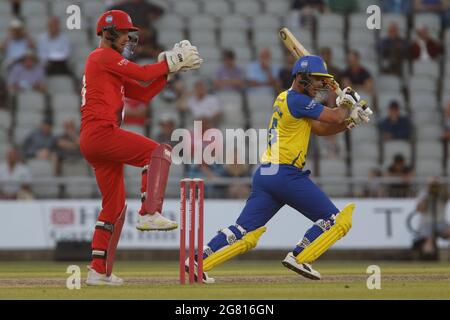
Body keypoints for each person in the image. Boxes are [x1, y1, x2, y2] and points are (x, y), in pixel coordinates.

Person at [189, 55, 373, 282]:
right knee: (335, 220)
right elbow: (334, 116)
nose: (320, 85)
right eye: (316, 80)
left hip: (267, 174)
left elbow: (321, 129)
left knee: (244, 230)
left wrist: (350, 121)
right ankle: (299, 258)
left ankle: (198, 260)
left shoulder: (287, 99)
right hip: (285, 173)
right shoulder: (297, 100)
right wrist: (346, 103)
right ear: (302, 79)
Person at [79, 10, 202, 286]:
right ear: (109, 34)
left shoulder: (109, 64)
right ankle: (149, 213)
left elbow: (144, 92)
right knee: (158, 151)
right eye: (124, 34)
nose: (127, 39)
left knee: (113, 207)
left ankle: (98, 270)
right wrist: (170, 62)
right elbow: (143, 71)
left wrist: (170, 70)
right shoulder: (102, 56)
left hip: (94, 138)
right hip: (101, 133)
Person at [413, 177, 450, 258]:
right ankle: (429, 258)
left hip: (441, 222)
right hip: (426, 223)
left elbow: (447, 197)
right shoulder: (423, 193)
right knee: (428, 240)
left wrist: (442, 187)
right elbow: (419, 209)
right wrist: (427, 194)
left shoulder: (442, 193)